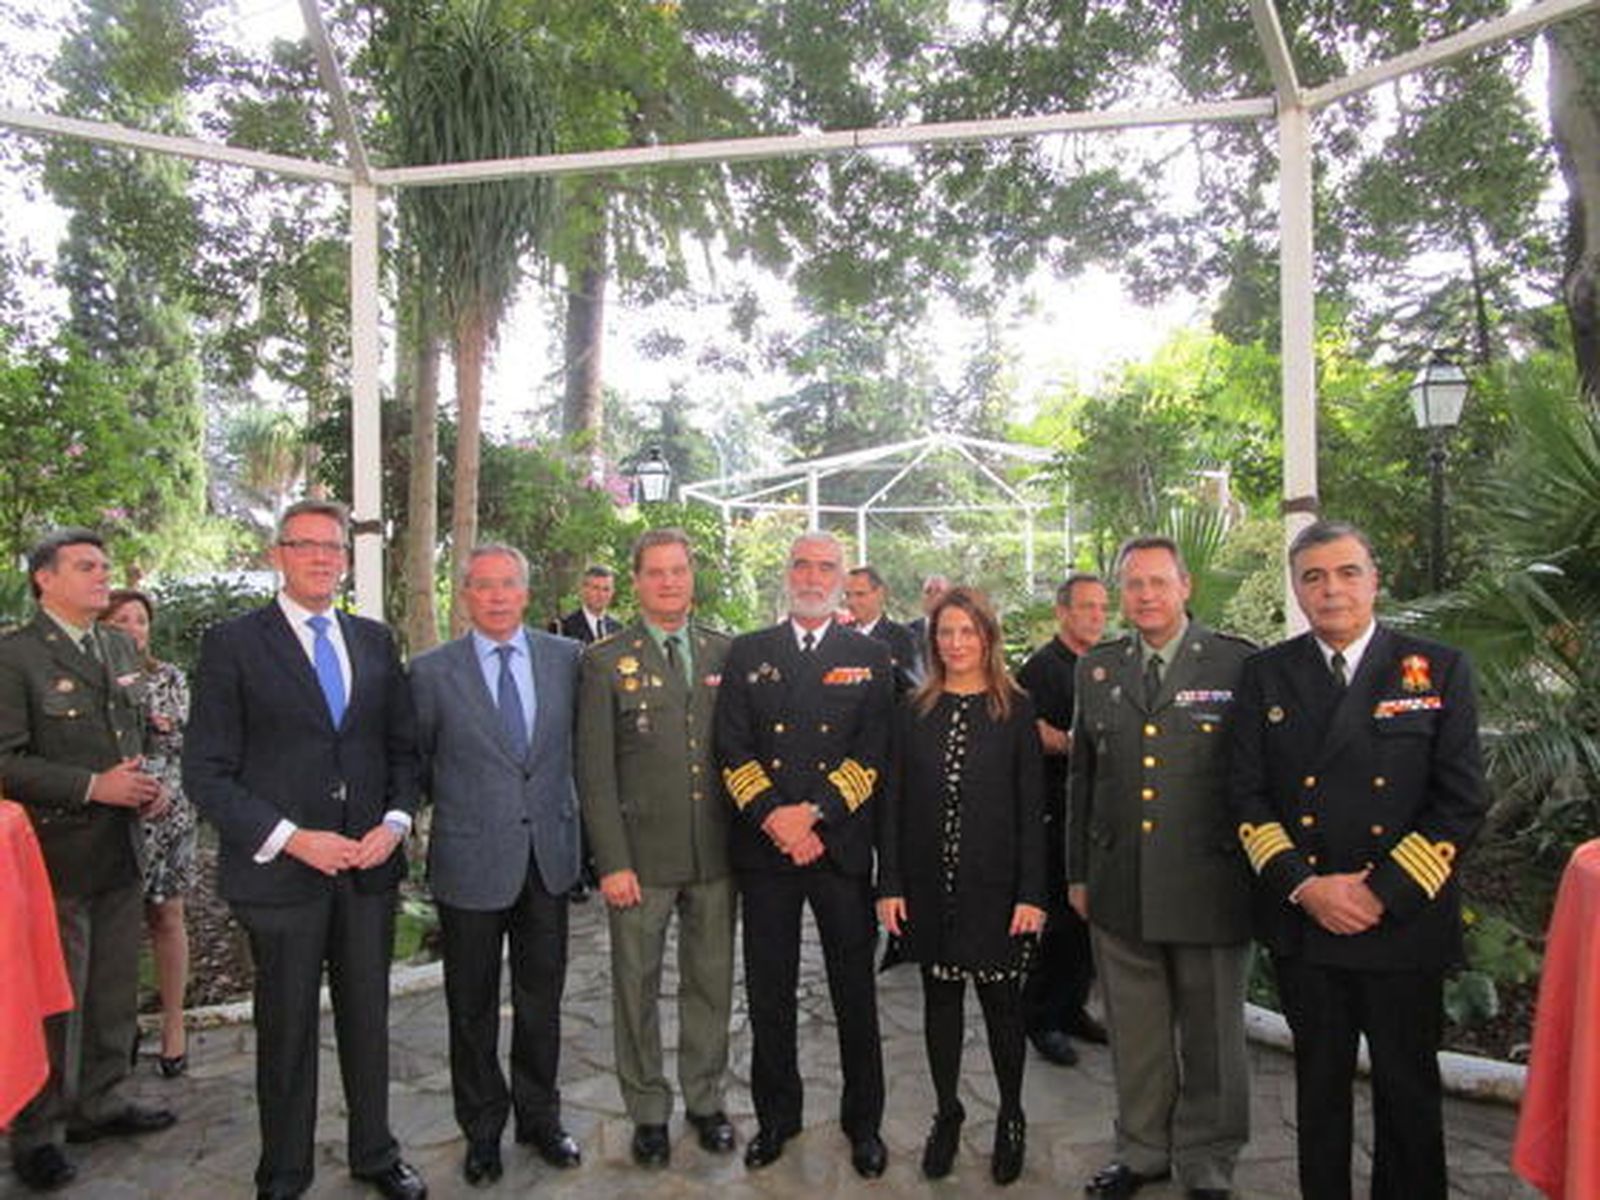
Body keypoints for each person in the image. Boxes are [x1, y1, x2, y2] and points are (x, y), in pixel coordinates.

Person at [1228, 520, 1486, 1200]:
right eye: (1313, 576)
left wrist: (1383, 893)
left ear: (1375, 580)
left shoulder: (1435, 668)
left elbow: (1459, 803)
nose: (1331, 589)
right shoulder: (1265, 675)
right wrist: (1305, 887)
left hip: (1402, 921)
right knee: (1319, 1094)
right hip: (1309, 924)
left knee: (1408, 1093)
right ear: (1296, 588)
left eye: (1346, 572)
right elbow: (1246, 797)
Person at [183, 500, 426, 1200]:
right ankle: (284, 1172)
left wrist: (396, 822)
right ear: (278, 554)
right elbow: (206, 772)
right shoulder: (233, 644)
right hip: (282, 877)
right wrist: (294, 840)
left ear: (346, 559)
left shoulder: (375, 641)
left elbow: (403, 753)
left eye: (334, 547)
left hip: (368, 871)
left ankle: (376, 1154)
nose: (322, 558)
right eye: (306, 545)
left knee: (368, 1023)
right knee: (285, 1030)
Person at [1068, 536, 1254, 1200]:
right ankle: (1142, 1149)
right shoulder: (1098, 669)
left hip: (1209, 883)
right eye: (1133, 584)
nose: (1145, 596)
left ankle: (1207, 1159)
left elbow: (1254, 780)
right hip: (1120, 883)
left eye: (1157, 582)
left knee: (1212, 1036)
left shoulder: (1236, 664)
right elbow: (1083, 781)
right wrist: (1078, 873)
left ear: (1185, 586)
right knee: (1137, 1032)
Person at [714, 530, 893, 1178]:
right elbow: (732, 749)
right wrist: (776, 819)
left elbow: (872, 754)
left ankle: (863, 1122)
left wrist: (814, 814)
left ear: (843, 578)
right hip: (768, 853)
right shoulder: (749, 653)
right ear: (786, 573)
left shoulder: (869, 656)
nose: (812, 576)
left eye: (825, 567)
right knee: (769, 993)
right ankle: (776, 1117)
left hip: (838, 847)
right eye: (801, 565)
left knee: (854, 995)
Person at [1, 529, 174, 1193]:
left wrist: (144, 789)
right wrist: (93, 786)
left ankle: (101, 1100)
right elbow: (6, 762)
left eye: (104, 566)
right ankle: (38, 1129)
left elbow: (126, 740)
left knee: (111, 989)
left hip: (119, 848)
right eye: (86, 567)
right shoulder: (15, 656)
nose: (103, 576)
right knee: (54, 998)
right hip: (52, 857)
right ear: (45, 578)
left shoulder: (114, 645)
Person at [410, 544, 583, 1189]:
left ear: (526, 592)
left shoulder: (567, 660)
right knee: (471, 1006)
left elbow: (579, 752)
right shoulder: (429, 673)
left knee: (543, 1001)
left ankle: (540, 1119)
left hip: (548, 860)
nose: (497, 596)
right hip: (471, 862)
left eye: (508, 584)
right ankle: (482, 1131)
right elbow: (418, 764)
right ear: (466, 596)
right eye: (483, 586)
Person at [576, 528, 737, 1169]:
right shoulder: (604, 660)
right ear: (636, 581)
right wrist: (612, 861)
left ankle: (705, 1099)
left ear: (691, 578)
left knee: (711, 984)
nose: (670, 582)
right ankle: (647, 1109)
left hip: (716, 857)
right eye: (657, 573)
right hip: (639, 862)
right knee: (635, 988)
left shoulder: (724, 649)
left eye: (679, 571)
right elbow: (595, 772)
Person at [876, 586, 1047, 1186]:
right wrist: (889, 883)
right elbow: (892, 803)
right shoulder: (913, 710)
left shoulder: (1016, 708)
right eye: (945, 633)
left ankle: (1011, 1115)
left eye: (967, 632)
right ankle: (947, 1113)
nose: (955, 644)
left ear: (987, 638)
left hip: (997, 891)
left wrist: (1032, 893)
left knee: (1002, 1009)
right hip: (928, 889)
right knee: (940, 1004)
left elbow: (1033, 808)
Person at [1015, 573, 1110, 1067]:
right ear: (1063, 613)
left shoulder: (1103, 665)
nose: (1096, 616)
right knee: (1055, 924)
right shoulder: (1042, 668)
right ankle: (1041, 1020)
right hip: (1055, 817)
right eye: (1086, 607)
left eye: (1101, 607)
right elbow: (1029, 731)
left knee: (1084, 926)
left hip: (1097, 817)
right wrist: (1077, 745)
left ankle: (1072, 1009)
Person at [101, 588, 195, 1077]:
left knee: (168, 916)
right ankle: (119, 1027)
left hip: (168, 812)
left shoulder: (169, 678)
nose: (133, 628)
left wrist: (161, 788)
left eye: (140, 620)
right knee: (115, 929)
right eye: (121, 620)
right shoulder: (94, 678)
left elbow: (185, 742)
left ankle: (174, 1023)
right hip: (111, 816)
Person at [553, 565, 622, 644]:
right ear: (584, 590)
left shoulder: (618, 630)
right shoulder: (564, 628)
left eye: (606, 589)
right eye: (596, 588)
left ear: (612, 592)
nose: (601, 595)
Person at [906, 573, 950, 675]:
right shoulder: (906, 633)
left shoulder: (961, 633)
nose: (932, 595)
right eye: (928, 591)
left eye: (939, 591)